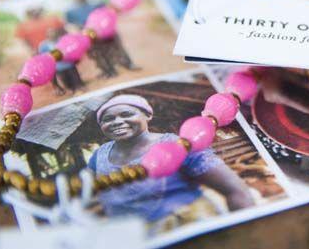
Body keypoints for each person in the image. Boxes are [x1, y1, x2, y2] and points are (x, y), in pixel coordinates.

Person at [88, 95, 254, 227]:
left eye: (127, 114)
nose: (117, 122)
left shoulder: (179, 145)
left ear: (148, 115)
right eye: (108, 119)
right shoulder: (99, 156)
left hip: (189, 225)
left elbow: (236, 190)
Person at [37, 28, 85, 94]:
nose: (52, 35)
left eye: (53, 33)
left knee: (75, 77)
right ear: (47, 35)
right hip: (58, 67)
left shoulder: (62, 40)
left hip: (69, 63)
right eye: (50, 34)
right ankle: (71, 89)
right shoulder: (44, 45)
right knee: (65, 79)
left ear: (57, 33)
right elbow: (43, 55)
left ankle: (79, 87)